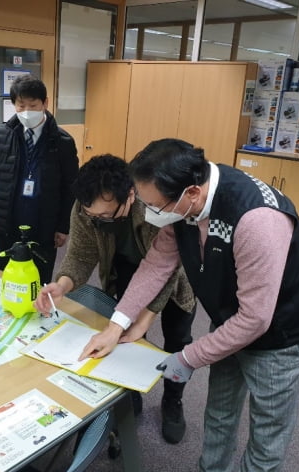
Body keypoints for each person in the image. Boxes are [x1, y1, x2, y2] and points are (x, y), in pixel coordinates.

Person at [80, 138, 299, 471]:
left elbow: (255, 319)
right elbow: (156, 265)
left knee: (267, 434)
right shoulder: (182, 207)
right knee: (219, 414)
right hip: (228, 319)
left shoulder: (257, 219)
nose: (149, 214)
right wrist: (116, 325)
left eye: (155, 206)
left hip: (279, 334)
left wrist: (189, 357)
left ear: (191, 193)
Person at [35, 154, 196, 443]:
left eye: (106, 216)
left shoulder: (153, 206)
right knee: (122, 340)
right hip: (126, 272)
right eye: (93, 216)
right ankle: (128, 394)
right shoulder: (87, 208)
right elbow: (81, 256)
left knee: (177, 341)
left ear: (130, 195)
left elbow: (168, 269)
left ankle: (173, 400)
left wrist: (144, 319)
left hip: (173, 277)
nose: (99, 220)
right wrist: (62, 284)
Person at [0, 74, 78, 284]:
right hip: (6, 224)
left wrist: (63, 226)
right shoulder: (1, 135)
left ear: (45, 103)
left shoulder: (63, 142)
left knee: (38, 283)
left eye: (33, 105)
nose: (27, 111)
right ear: (14, 104)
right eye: (21, 106)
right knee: (2, 280)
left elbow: (70, 188)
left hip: (43, 226)